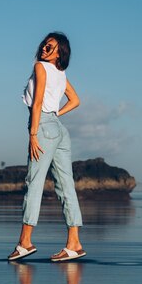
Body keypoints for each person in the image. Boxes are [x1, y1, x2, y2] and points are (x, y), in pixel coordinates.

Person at [8, 32, 86, 262]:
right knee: (66, 186)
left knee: (34, 182)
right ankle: (74, 244)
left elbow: (38, 101)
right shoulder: (61, 74)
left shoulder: (41, 67)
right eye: (44, 45)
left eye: (50, 47)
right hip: (58, 130)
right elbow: (75, 100)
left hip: (43, 126)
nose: (44, 49)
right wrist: (56, 117)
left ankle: (25, 243)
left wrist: (34, 133)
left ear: (59, 52)